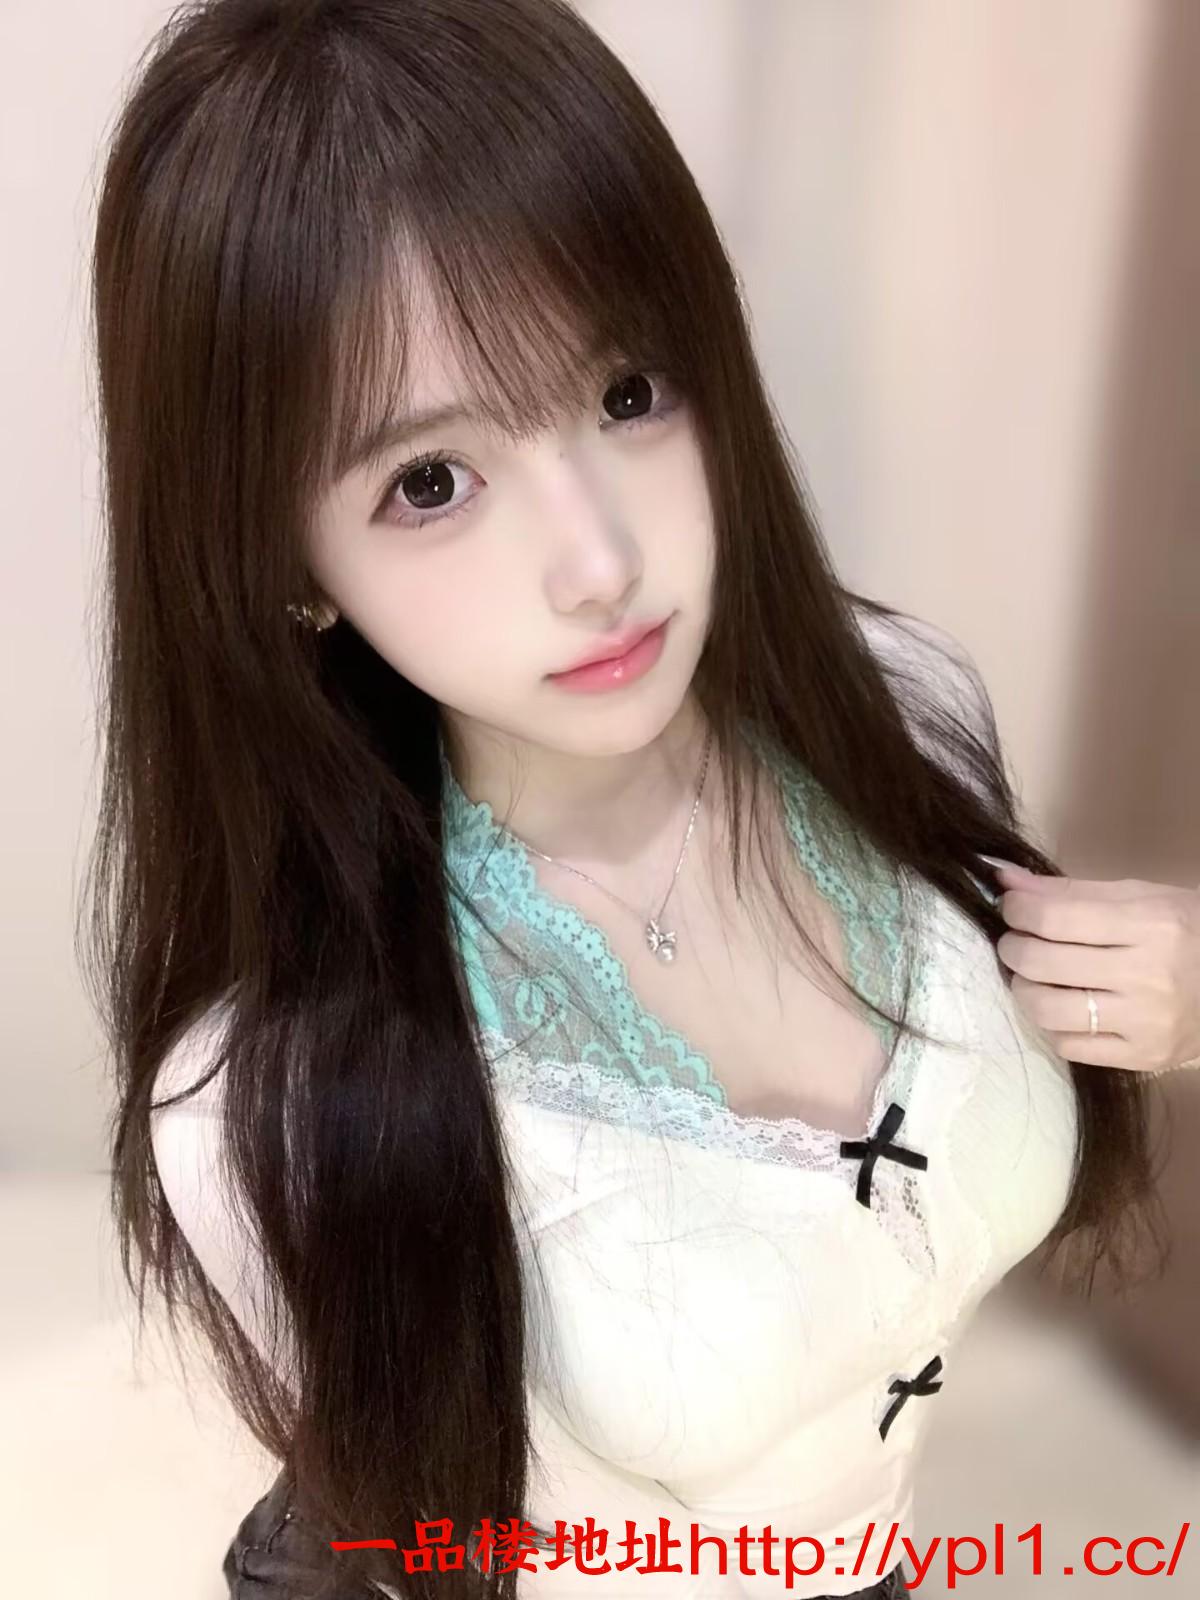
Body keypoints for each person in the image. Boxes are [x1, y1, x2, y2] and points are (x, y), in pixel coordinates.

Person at [80, 2, 1179, 1596]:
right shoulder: (263, 1106)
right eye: (430, 483)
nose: (599, 563)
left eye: (628, 391)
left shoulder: (903, 710)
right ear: (281, 565)